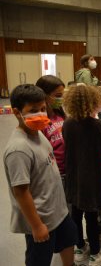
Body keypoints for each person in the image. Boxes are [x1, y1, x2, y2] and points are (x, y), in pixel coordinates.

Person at [4, 84, 77, 266]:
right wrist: (37, 226)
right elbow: (21, 192)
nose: (40, 114)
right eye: (33, 110)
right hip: (41, 217)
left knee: (68, 240)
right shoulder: (18, 149)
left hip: (58, 211)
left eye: (43, 109)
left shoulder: (38, 134)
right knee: (39, 259)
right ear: (17, 112)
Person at [63, 85, 101, 265]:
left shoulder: (68, 123)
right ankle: (96, 253)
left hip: (73, 176)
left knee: (76, 214)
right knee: (92, 216)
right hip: (92, 178)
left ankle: (79, 248)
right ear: (95, 103)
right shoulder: (100, 126)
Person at [35, 75, 66, 184]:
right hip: (54, 175)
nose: (61, 99)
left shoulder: (61, 115)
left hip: (68, 172)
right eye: (58, 95)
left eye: (62, 95)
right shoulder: (40, 122)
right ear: (44, 96)